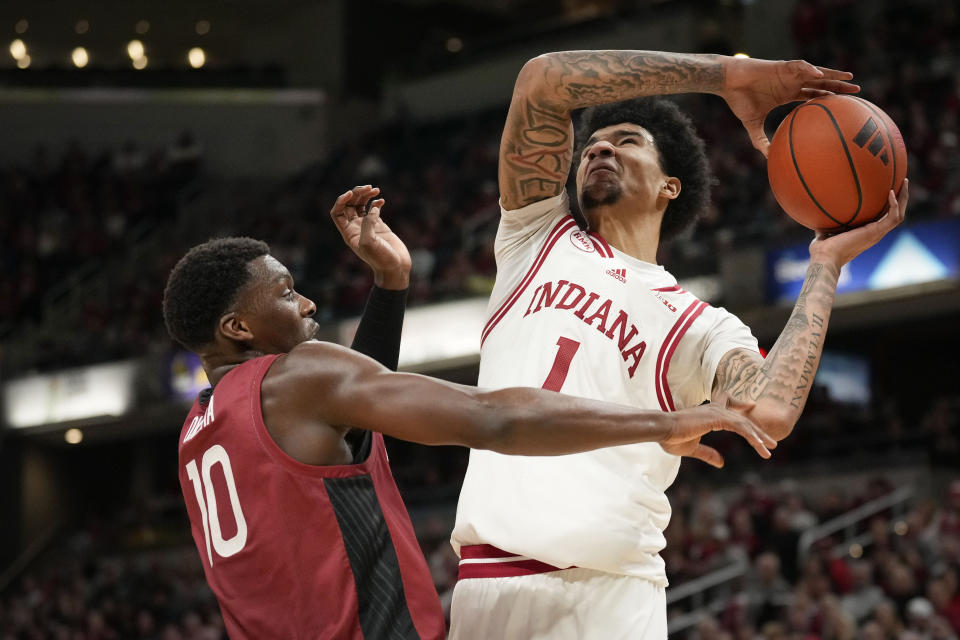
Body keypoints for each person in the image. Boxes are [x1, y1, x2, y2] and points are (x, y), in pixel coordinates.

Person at [162, 186, 776, 639]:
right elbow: (494, 419)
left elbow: (348, 415)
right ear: (237, 327)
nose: (307, 301)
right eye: (286, 291)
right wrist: (670, 422)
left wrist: (391, 284)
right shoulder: (296, 378)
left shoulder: (200, 430)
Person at [449, 50, 909, 638]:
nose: (599, 147)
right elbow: (543, 79)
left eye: (629, 140)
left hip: (612, 594)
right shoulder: (534, 235)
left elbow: (771, 409)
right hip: (486, 587)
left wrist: (824, 264)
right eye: (594, 142)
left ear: (671, 185)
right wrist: (728, 77)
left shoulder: (699, 322)